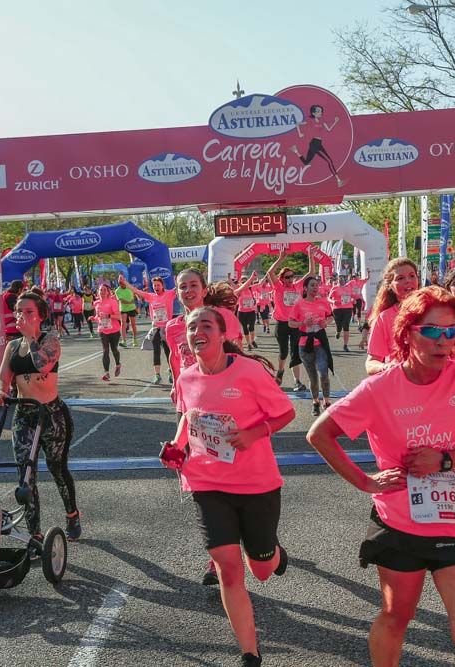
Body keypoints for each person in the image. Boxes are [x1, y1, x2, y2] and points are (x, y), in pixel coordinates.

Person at [307, 286, 455, 667]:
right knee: (397, 617)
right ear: (408, 331)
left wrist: (445, 459)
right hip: (401, 525)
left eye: (451, 333)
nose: (443, 342)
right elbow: (319, 434)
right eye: (432, 331)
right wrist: (365, 482)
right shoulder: (379, 388)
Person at [161, 306, 296, 667]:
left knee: (262, 569)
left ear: (222, 335)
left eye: (206, 325)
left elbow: (286, 413)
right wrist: (176, 447)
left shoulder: (250, 372)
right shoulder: (185, 378)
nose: (197, 331)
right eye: (192, 327)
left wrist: (254, 432)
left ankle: (274, 554)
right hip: (206, 480)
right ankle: (250, 654)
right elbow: (189, 420)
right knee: (227, 568)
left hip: (256, 484)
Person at [164, 268, 244, 587]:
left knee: (233, 473)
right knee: (206, 478)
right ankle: (218, 559)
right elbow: (175, 358)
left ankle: (258, 530)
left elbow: (239, 357)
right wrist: (176, 386)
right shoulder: (172, 327)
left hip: (224, 403)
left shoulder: (222, 317)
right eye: (182, 287)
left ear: (202, 288)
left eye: (193, 285)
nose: (187, 291)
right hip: (192, 408)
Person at [0, 291, 81, 542]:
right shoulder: (12, 345)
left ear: (41, 315)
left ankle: (72, 514)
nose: (22, 316)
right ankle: (35, 532)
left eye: (29, 312)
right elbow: (3, 378)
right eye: (19, 311)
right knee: (26, 474)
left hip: (51, 414)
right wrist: (0, 390)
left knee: (57, 468)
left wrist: (31, 337)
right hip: (24, 415)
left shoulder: (50, 340)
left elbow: (43, 365)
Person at [366, 259, 420, 375]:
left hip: (433, 383)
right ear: (390, 285)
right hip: (400, 383)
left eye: (412, 276)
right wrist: (387, 367)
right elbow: (371, 363)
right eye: (400, 278)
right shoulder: (384, 318)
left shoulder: (433, 309)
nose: (408, 281)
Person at [290, 275, 334, 415]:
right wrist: (303, 323)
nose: (315, 288)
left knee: (324, 374)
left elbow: (331, 316)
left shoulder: (323, 302)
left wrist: (326, 323)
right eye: (312, 285)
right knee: (313, 377)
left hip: (320, 342)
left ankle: (326, 401)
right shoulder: (299, 304)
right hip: (305, 344)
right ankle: (315, 402)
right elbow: (291, 323)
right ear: (305, 288)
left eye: (316, 285)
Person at [120, 275, 176, 383]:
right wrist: (125, 282)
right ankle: (157, 375)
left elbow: (179, 288)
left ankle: (171, 372)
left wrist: (177, 280)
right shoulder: (150, 296)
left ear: (162, 285)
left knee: (169, 351)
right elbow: (136, 291)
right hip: (155, 328)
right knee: (156, 351)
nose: (156, 287)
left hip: (166, 328)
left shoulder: (169, 294)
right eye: (154, 285)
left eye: (158, 285)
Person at [266, 249, 308, 391]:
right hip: (282, 324)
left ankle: (297, 381)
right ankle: (281, 371)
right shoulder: (278, 287)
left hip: (295, 324)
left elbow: (310, 274)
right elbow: (270, 273)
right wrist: (280, 258)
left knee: (295, 352)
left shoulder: (297, 287)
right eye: (288, 277)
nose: (291, 279)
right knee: (284, 352)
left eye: (292, 277)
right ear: (282, 278)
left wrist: (311, 257)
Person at [289, 103, 344, 187]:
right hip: (314, 143)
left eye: (321, 111)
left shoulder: (322, 121)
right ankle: (338, 180)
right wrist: (300, 133)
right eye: (318, 111)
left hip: (318, 143)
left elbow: (329, 129)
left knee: (306, 162)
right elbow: (298, 124)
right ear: (313, 113)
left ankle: (295, 150)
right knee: (329, 161)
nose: (320, 112)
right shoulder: (310, 120)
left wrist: (335, 122)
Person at [91, 285, 123, 382]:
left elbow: (119, 317)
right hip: (102, 329)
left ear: (108, 292)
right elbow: (98, 316)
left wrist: (108, 315)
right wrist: (94, 318)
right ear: (98, 291)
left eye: (105, 290)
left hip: (114, 330)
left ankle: (118, 364)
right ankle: (106, 373)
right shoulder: (96, 303)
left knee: (114, 349)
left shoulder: (112, 302)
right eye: (101, 290)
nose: (102, 292)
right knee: (105, 350)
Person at [327, 274, 356, 352]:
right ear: (338, 280)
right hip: (337, 309)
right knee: (339, 325)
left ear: (345, 280)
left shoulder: (349, 287)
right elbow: (328, 298)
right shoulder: (335, 288)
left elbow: (353, 295)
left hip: (348, 308)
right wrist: (333, 301)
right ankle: (338, 331)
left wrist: (354, 299)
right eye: (340, 279)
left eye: (343, 279)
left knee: (346, 326)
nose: (341, 280)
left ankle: (345, 345)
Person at [114, 279, 139, 347]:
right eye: (121, 284)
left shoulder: (129, 287)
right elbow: (121, 300)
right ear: (119, 284)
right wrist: (130, 302)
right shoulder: (117, 291)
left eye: (124, 283)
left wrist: (135, 299)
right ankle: (124, 341)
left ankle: (135, 339)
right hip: (123, 309)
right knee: (123, 324)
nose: (123, 285)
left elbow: (135, 293)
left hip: (132, 308)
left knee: (133, 324)